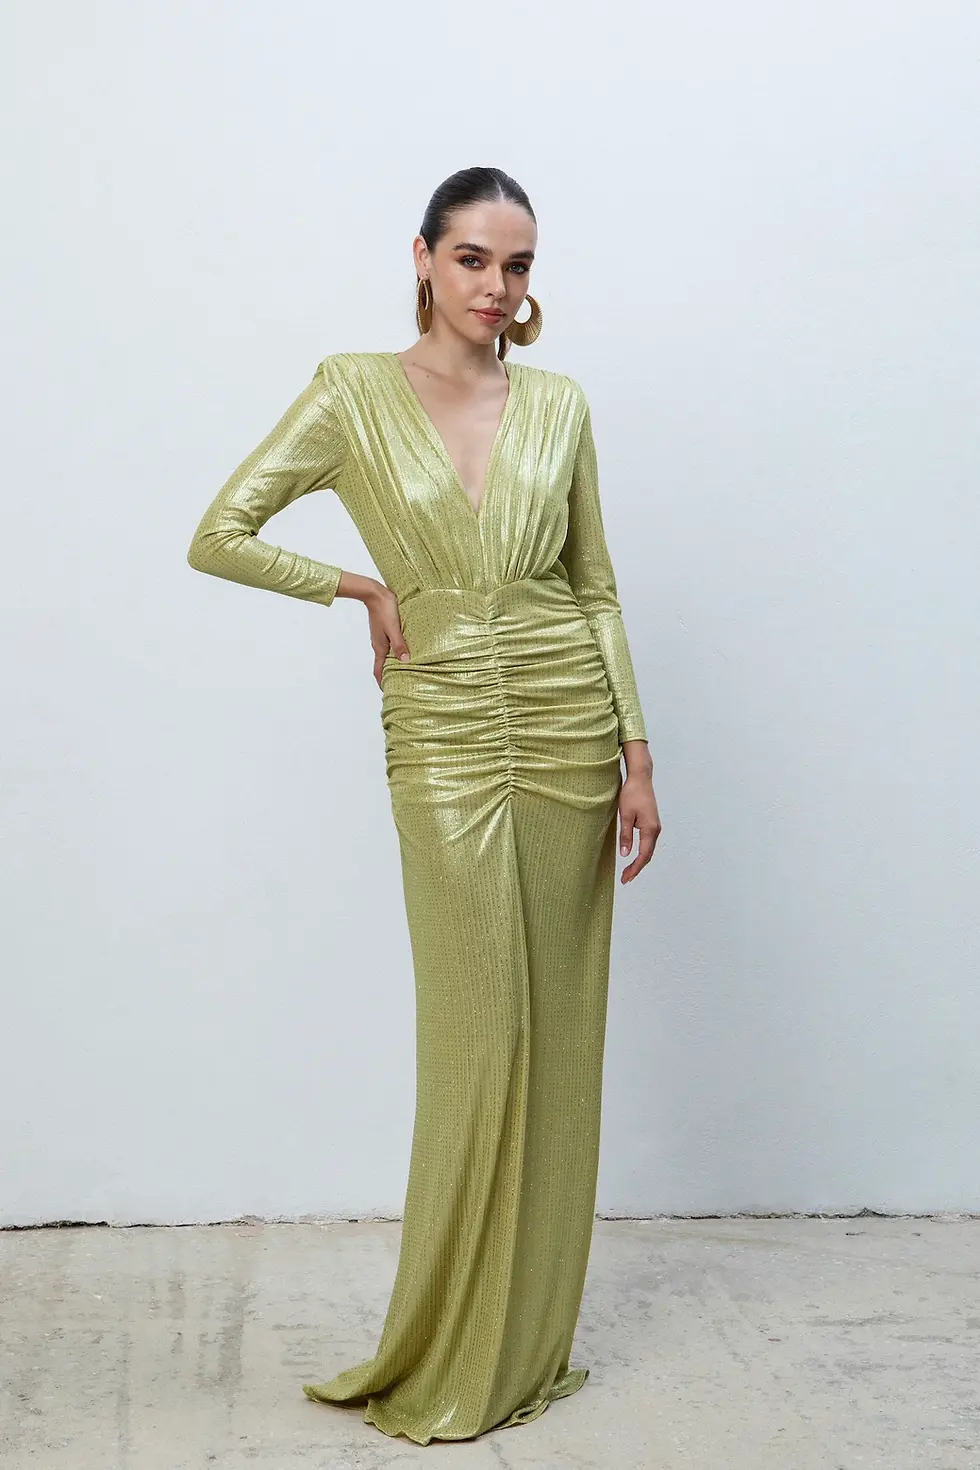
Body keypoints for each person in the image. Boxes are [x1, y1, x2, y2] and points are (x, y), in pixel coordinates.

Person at [186, 165, 662, 1446]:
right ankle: (445, 1339)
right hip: (442, 728)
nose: (497, 287)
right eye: (472, 260)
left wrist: (634, 751)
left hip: (568, 724)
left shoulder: (557, 404)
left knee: (558, 1033)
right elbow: (218, 531)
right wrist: (357, 586)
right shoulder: (351, 391)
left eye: (517, 265)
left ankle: (523, 1343)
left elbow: (595, 586)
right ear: (421, 257)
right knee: (473, 1033)